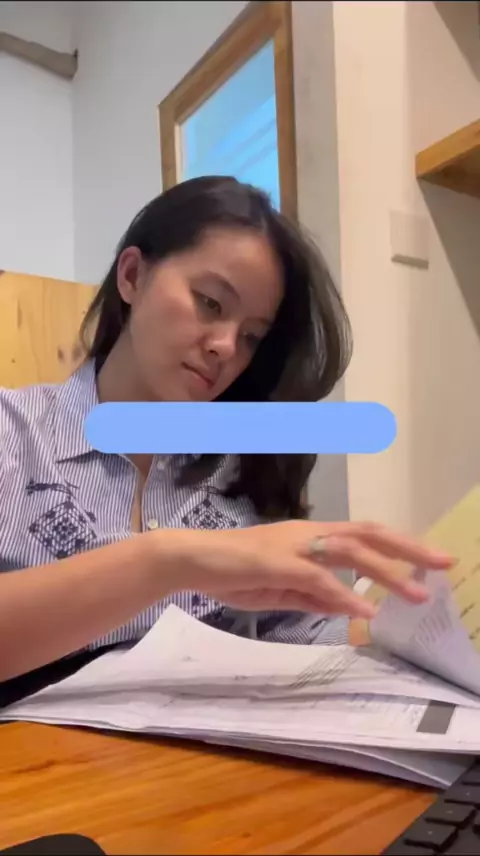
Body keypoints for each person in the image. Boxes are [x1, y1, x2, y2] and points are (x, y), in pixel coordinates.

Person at [0, 176, 452, 685]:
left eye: (252, 336)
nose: (226, 347)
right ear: (132, 276)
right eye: (211, 303)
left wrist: (412, 626)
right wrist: (169, 560)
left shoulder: (242, 470)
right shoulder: (13, 434)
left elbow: (292, 633)